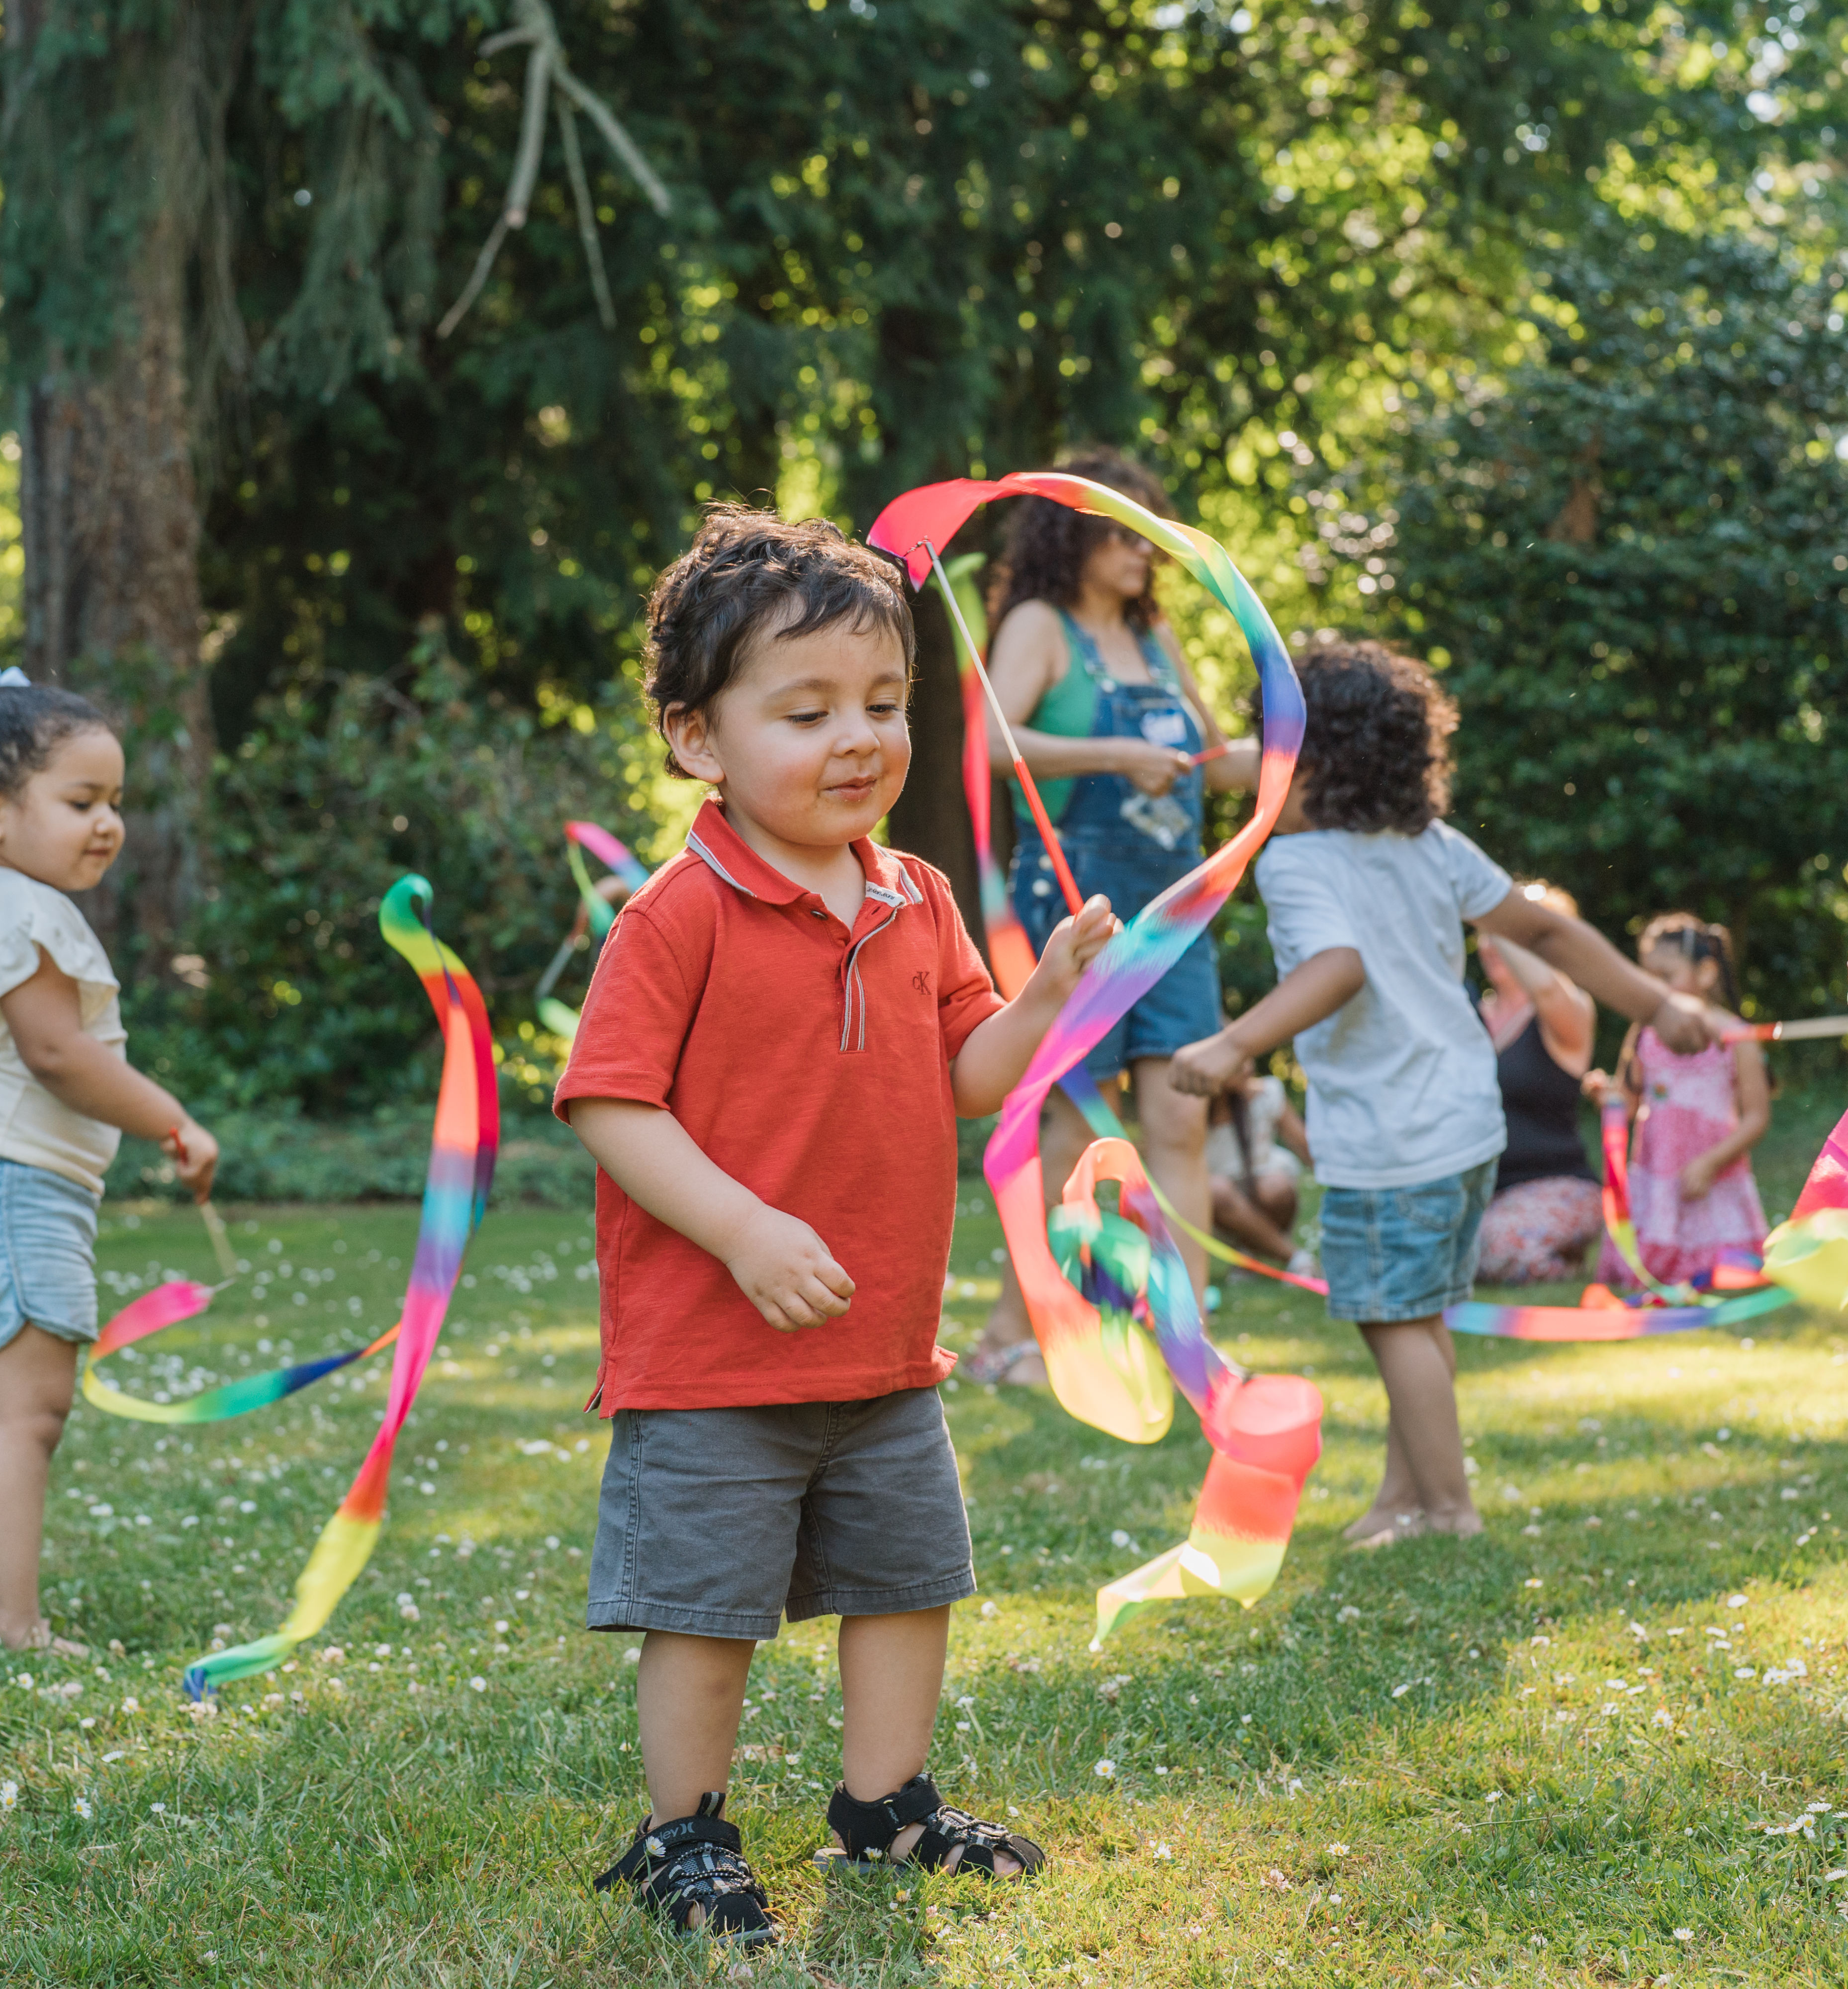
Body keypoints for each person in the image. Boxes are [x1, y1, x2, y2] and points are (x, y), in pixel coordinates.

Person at [558, 510, 1115, 1944]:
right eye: (807, 710)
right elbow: (610, 1105)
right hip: (713, 1359)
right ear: (699, 740)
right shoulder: (678, 916)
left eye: (885, 703)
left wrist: (1044, 992)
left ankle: (885, 1810)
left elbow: (970, 1079)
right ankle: (682, 1835)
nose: (858, 736)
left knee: (908, 1583)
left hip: (884, 1347)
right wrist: (744, 1229)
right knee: (708, 1614)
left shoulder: (916, 897)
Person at [1170, 639, 1712, 1546]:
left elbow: (1337, 970)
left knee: (1392, 1326)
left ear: (1309, 759)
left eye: (1272, 746)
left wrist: (1233, 1043)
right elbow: (1547, 929)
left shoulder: (1297, 864)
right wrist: (1658, 1003)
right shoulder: (1430, 844)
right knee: (1418, 1319)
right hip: (1466, 1127)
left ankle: (1452, 1510)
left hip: (1392, 1139)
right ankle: (1405, 1499)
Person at [0, 650, 221, 1656]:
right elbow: (57, 1052)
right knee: (22, 1417)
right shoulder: (27, 912)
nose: (108, 822)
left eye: (114, 800)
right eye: (81, 800)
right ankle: (11, 1627)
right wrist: (173, 1118)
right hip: (1, 1185)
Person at [959, 451, 1259, 1386]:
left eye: (1150, 536)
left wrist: (1291, 751)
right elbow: (996, 743)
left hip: (1174, 910)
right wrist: (1116, 751)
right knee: (1071, 1123)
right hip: (1078, 904)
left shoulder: (1155, 634)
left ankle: (1185, 1342)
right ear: (1073, 533)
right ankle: (1027, 1331)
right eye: (1127, 533)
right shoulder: (1040, 627)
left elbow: (1209, 762)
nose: (1145, 553)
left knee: (1181, 1118)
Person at [1596, 914, 1769, 1289]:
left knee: (1729, 1274)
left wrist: (1710, 1164)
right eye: (1649, 979)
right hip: (1659, 1173)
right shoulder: (1644, 1033)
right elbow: (1626, 1101)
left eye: (1667, 976)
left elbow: (1756, 1118)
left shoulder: (1735, 1036)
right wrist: (1605, 1096)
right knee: (1651, 1277)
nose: (1656, 990)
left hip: (1714, 1175)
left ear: (1706, 974)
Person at [1473, 881, 1606, 1285]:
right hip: (1479, 1192)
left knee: (1493, 1245)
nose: (1494, 944)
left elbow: (1547, 988)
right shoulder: (1466, 1012)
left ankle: (1557, 1259)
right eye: (1488, 933)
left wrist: (1488, 909)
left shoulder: (1567, 1010)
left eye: (1512, 932)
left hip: (1556, 1185)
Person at [1205, 1066, 1310, 1271]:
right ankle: (1295, 1258)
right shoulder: (1194, 1107)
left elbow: (1306, 1148)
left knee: (1277, 1187)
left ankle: (1251, 1256)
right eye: (1239, 1062)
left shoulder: (1266, 1093)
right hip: (1219, 1199)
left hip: (1262, 1185)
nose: (1248, 1068)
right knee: (1215, 1189)